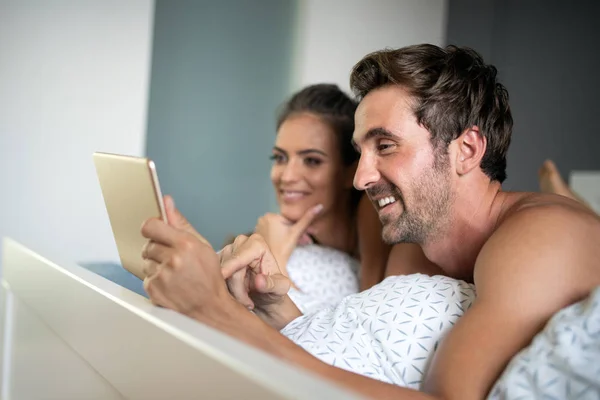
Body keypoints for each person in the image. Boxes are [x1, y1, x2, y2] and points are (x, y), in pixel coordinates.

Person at [139, 44, 600, 399]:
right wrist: (276, 313)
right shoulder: (417, 242)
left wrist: (217, 315)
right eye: (361, 151)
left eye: (385, 146)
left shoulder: (540, 239)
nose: (360, 178)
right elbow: (370, 365)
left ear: (466, 150)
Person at [234, 84, 394, 312]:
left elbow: (363, 316)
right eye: (280, 158)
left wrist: (274, 257)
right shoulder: (281, 231)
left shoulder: (371, 211)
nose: (287, 176)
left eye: (312, 161)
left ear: (351, 171)